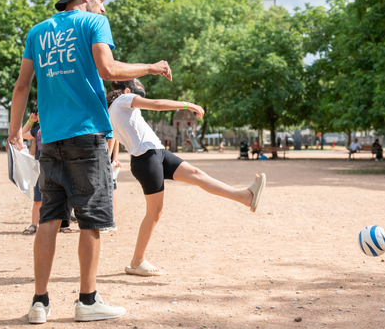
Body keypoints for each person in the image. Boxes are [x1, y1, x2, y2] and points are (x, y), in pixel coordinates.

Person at [8, 0, 172, 325]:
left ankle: (39, 303)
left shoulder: (37, 32)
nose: (103, 4)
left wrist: (14, 132)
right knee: (91, 220)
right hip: (86, 135)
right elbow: (108, 69)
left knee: (49, 218)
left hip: (50, 138)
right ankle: (87, 300)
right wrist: (152, 67)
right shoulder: (94, 24)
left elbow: (22, 87)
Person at [107, 79, 266, 277]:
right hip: (146, 158)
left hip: (158, 153)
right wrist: (187, 104)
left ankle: (245, 197)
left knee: (198, 175)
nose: (141, 97)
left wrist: (111, 158)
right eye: (139, 92)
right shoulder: (124, 99)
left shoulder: (115, 108)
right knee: (154, 212)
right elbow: (156, 105)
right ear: (128, 90)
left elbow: (111, 135)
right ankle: (137, 261)